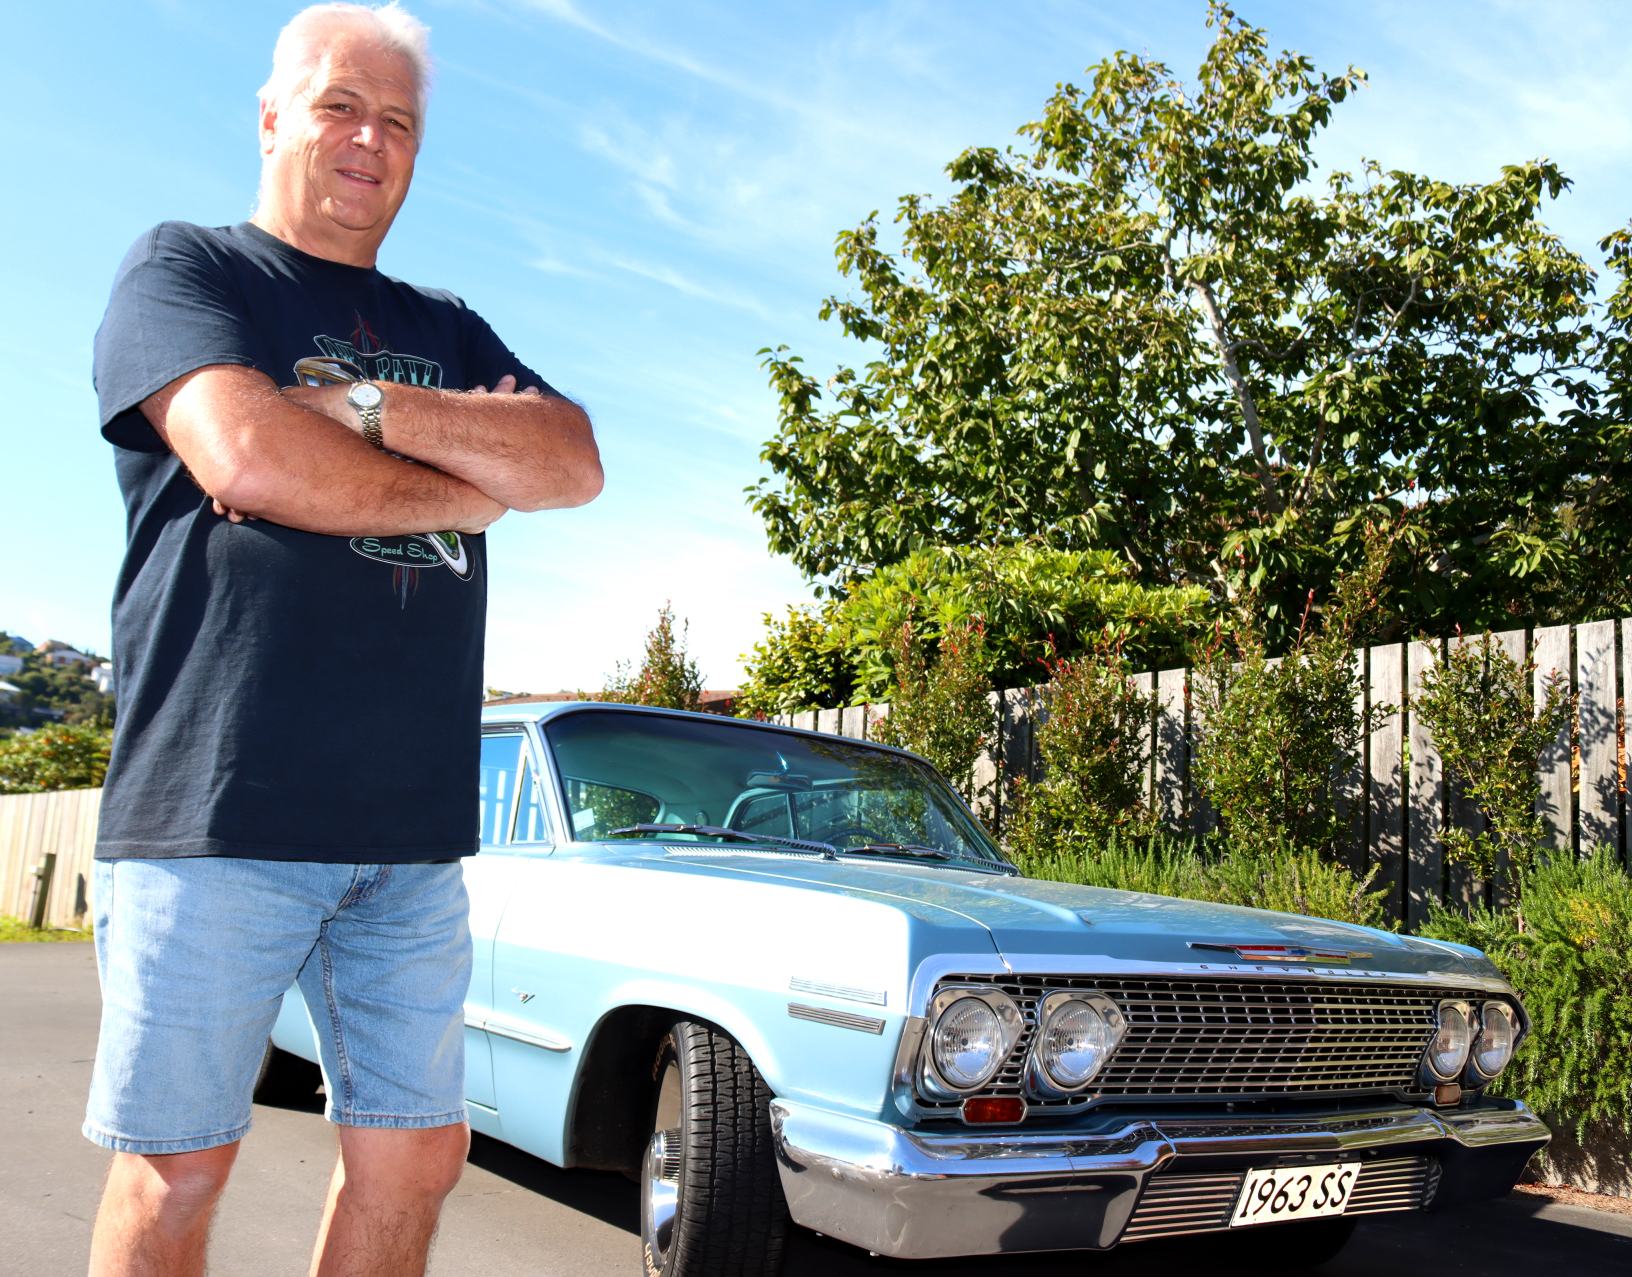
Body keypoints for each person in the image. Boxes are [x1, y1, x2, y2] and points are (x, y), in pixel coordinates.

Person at [83, 4, 602, 1274]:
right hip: (220, 811)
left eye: (399, 121)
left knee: (418, 1155)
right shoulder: (186, 269)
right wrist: (463, 484)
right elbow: (251, 456)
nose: (369, 139)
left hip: (408, 835)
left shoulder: (448, 324)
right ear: (272, 118)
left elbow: (572, 459)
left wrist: (361, 407)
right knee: (176, 1170)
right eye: (338, 105)